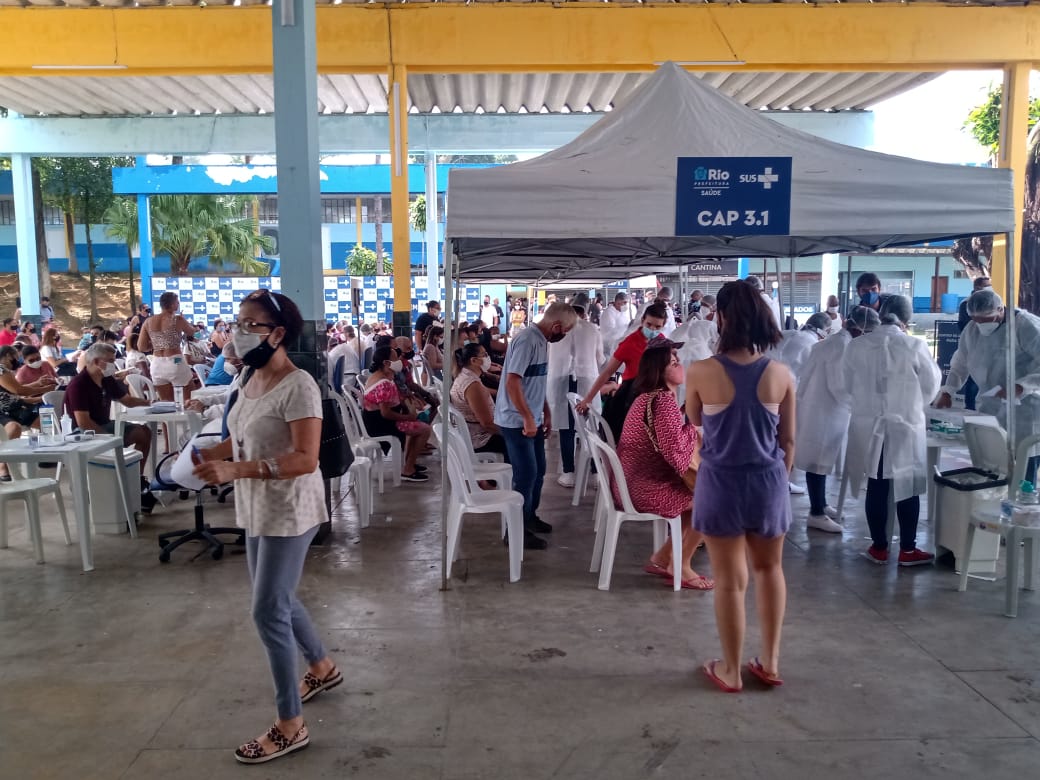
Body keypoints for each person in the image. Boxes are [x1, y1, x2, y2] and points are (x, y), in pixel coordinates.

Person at [191, 289, 338, 765]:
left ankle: (290, 724)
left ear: (277, 334)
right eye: (236, 322)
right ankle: (321, 665)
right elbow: (242, 437)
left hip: (289, 510)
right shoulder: (248, 378)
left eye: (248, 325)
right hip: (256, 504)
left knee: (267, 610)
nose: (237, 332)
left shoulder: (300, 386)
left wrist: (236, 469)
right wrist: (207, 457)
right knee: (278, 599)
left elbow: (305, 458)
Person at [685, 279, 794, 692]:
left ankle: (730, 670)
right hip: (768, 482)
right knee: (769, 569)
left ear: (722, 318)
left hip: (720, 483)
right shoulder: (780, 374)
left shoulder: (701, 371)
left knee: (730, 580)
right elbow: (788, 441)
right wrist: (778, 484)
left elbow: (695, 419)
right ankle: (771, 662)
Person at [843, 294, 940, 567]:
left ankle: (879, 547)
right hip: (904, 424)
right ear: (906, 319)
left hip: (868, 424)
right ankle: (908, 549)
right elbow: (931, 385)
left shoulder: (856, 346)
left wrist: (868, 405)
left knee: (876, 484)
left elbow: (847, 384)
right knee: (907, 485)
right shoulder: (914, 345)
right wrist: (913, 405)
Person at [617, 341, 713, 590]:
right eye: (673, 363)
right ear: (660, 372)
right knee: (712, 502)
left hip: (631, 483)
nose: (680, 365)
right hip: (645, 490)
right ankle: (682, 565)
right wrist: (693, 426)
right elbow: (675, 455)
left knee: (701, 495)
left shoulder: (649, 398)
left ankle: (663, 557)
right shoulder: (662, 402)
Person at [494, 300, 577, 549]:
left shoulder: (542, 341)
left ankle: (529, 517)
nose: (565, 336)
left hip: (532, 417)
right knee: (526, 474)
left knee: (539, 470)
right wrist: (528, 417)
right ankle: (515, 530)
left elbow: (535, 382)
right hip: (515, 420)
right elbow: (512, 382)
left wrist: (545, 411)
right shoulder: (527, 340)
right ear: (556, 326)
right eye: (565, 331)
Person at [937, 288, 1040, 484]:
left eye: (987, 319)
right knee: (991, 471)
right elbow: (960, 363)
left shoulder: (1025, 325)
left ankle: (1019, 502)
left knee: (1022, 474)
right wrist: (948, 391)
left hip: (1026, 411)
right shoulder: (972, 330)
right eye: (977, 320)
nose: (982, 325)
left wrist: (1022, 386)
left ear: (1001, 309)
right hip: (990, 408)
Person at [795, 306, 880, 534]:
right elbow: (839, 386)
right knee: (817, 461)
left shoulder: (834, 342)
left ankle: (821, 504)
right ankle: (816, 513)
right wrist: (862, 405)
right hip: (825, 410)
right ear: (861, 330)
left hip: (819, 407)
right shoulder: (842, 347)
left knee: (820, 460)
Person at [63, 342, 157, 511]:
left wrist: (150, 402)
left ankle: (136, 479)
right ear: (97, 362)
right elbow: (83, 422)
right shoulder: (79, 384)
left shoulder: (106, 380)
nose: (114, 364)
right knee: (118, 441)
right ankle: (121, 481)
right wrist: (110, 440)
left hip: (105, 425)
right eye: (111, 361)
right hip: (83, 433)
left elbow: (127, 400)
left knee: (144, 433)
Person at [575, 301, 669, 436]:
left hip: (655, 396)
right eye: (649, 325)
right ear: (642, 320)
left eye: (657, 327)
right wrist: (588, 399)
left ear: (663, 326)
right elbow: (607, 372)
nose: (653, 330)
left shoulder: (662, 343)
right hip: (631, 395)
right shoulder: (630, 343)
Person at [547, 294, 604, 487]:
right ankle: (596, 473)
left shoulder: (558, 329)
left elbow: (549, 356)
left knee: (567, 428)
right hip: (587, 382)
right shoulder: (592, 329)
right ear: (585, 311)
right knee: (592, 428)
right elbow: (600, 358)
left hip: (561, 382)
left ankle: (568, 472)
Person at [363, 346, 432, 482]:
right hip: (380, 424)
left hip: (377, 420)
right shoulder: (383, 383)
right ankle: (408, 469)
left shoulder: (381, 376)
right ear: (386, 362)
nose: (399, 361)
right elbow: (386, 413)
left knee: (417, 425)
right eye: (395, 358)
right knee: (425, 429)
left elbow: (391, 401)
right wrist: (408, 417)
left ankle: (409, 463)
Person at [450, 343, 508, 459]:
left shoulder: (466, 376)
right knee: (520, 442)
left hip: (473, 433)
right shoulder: (472, 385)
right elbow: (487, 424)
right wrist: (511, 433)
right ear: (474, 360)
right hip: (481, 438)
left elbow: (483, 393)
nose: (488, 357)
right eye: (484, 355)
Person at [138, 291, 197, 404]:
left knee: (167, 405)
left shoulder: (148, 321)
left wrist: (158, 342)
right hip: (176, 360)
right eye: (177, 302)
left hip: (157, 363)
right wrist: (188, 323)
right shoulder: (177, 319)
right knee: (189, 402)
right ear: (172, 304)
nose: (178, 304)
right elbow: (191, 332)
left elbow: (142, 347)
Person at [955, 276, 993, 411]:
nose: (990, 287)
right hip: (974, 346)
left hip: (990, 345)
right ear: (977, 287)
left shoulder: (991, 301)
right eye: (987, 285)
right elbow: (965, 325)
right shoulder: (967, 303)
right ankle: (970, 406)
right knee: (973, 377)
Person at [328, 325, 362, 392]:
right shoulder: (346, 347)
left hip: (348, 382)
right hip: (356, 379)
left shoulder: (332, 354)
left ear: (328, 346)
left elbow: (329, 376)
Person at [599, 292, 632, 356]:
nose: (626, 305)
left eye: (626, 303)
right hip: (610, 346)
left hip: (621, 344)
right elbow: (610, 333)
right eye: (624, 303)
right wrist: (626, 327)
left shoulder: (624, 312)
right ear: (617, 303)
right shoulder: (609, 313)